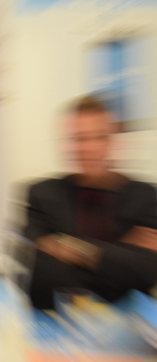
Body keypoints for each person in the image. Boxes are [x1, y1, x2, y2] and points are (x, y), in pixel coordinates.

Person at [24, 95, 157, 309]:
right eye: (79, 138)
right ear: (67, 144)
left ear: (112, 142)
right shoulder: (43, 194)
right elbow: (39, 277)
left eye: (99, 137)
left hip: (127, 325)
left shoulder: (145, 197)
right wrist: (121, 253)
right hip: (57, 321)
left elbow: (148, 273)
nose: (88, 148)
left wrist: (70, 246)